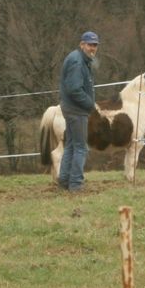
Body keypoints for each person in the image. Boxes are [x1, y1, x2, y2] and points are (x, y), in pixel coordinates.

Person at [58, 31, 99, 192]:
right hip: (76, 110)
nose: (93, 48)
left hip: (70, 108)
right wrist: (91, 105)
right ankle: (76, 184)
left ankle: (64, 181)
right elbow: (75, 89)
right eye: (90, 44)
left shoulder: (81, 59)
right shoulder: (77, 61)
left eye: (95, 45)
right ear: (82, 44)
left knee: (71, 146)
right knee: (81, 147)